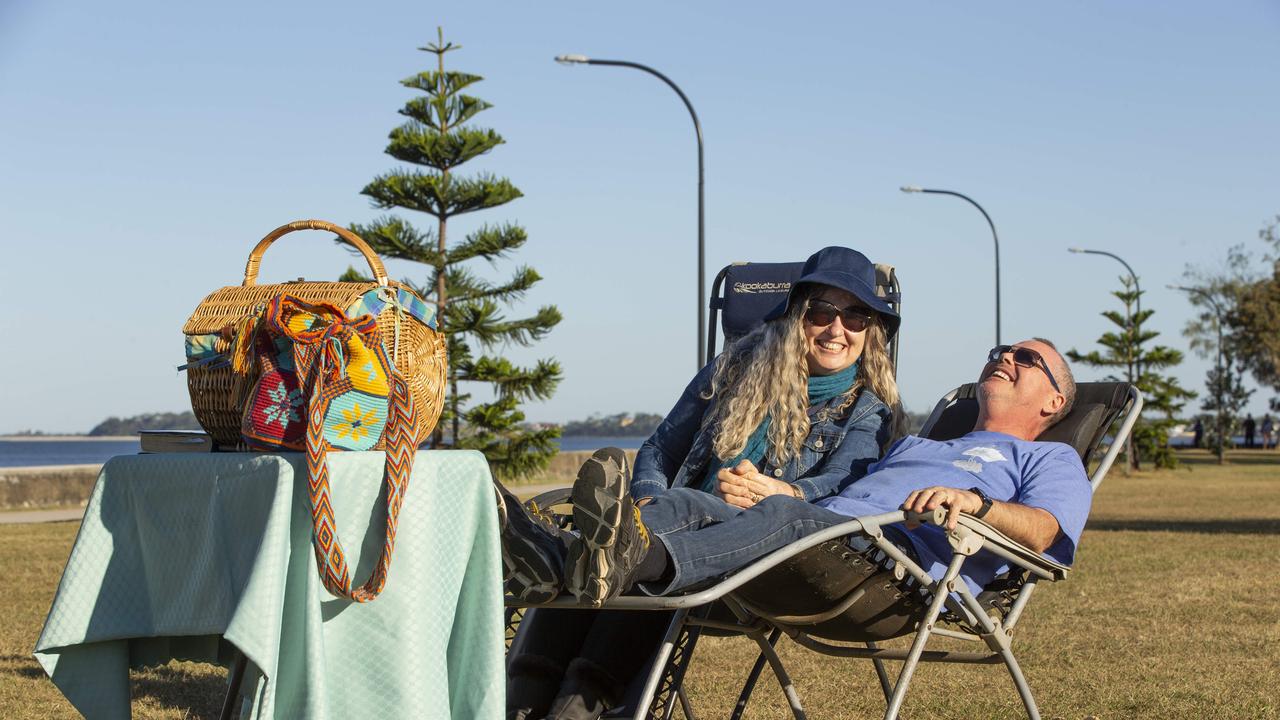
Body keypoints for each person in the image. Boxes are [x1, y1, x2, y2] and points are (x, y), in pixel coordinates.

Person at [498, 246, 902, 720]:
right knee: (614, 548)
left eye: (856, 316)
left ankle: (560, 558)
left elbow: (843, 490)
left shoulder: (868, 411)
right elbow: (660, 449)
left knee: (618, 543)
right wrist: (647, 497)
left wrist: (780, 491)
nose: (838, 329)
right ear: (798, 316)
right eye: (823, 312)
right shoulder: (731, 369)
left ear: (870, 331)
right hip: (669, 526)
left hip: (754, 555)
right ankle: (522, 701)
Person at [505, 338, 1089, 646]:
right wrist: (770, 490)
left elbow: (1049, 535)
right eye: (999, 353)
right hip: (823, 536)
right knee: (694, 503)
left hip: (890, 579)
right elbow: (839, 490)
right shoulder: (921, 445)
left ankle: (614, 559)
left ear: (1055, 402)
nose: (1004, 359)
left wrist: (977, 505)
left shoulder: (1049, 456)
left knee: (783, 515)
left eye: (1026, 358)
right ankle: (558, 556)